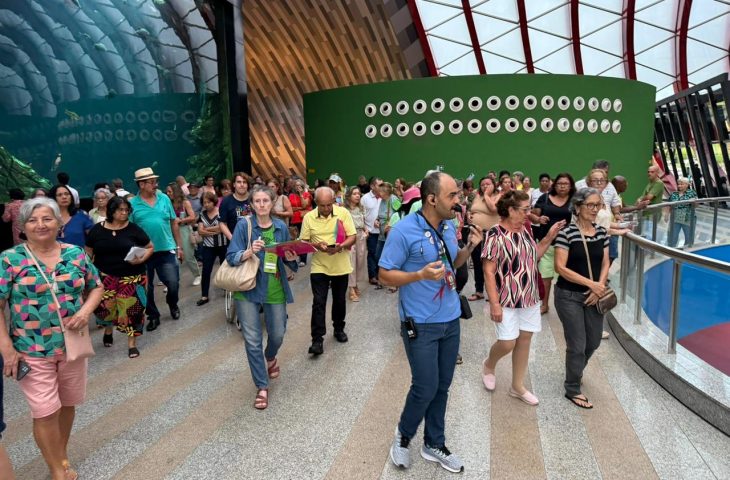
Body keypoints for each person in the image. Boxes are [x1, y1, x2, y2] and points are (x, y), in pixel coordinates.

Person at [379, 171, 482, 473]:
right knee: (425, 386)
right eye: (453, 195)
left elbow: (454, 261)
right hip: (419, 322)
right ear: (432, 199)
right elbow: (384, 275)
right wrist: (418, 275)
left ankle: (434, 443)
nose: (458, 200)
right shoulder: (403, 231)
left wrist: (470, 247)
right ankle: (403, 436)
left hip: (450, 319)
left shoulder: (449, 225)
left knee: (442, 386)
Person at [0, 197, 103, 480]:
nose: (40, 225)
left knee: (67, 404)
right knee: (45, 411)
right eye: (32, 220)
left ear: (59, 223)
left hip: (72, 345)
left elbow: (96, 286)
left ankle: (61, 457)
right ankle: (58, 470)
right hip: (30, 349)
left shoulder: (75, 254)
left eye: (47, 218)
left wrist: (84, 312)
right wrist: (6, 349)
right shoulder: (10, 259)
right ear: (23, 226)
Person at [481, 191, 565, 405]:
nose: (529, 213)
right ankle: (489, 364)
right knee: (507, 343)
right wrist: (494, 304)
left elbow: (534, 256)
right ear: (510, 210)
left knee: (525, 339)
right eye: (525, 209)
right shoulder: (495, 234)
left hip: (529, 296)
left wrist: (549, 237)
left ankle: (517, 386)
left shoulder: (526, 230)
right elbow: (488, 271)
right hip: (505, 299)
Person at [226, 186, 298, 409]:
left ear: (272, 202)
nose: (261, 205)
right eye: (257, 201)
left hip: (275, 288)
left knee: (277, 334)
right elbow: (231, 256)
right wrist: (249, 251)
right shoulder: (244, 225)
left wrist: (291, 257)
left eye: (265, 200)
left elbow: (288, 260)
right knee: (252, 340)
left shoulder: (280, 227)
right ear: (252, 204)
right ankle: (262, 386)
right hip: (248, 289)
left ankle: (271, 356)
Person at [554, 188, 610, 409]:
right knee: (577, 345)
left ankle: (575, 370)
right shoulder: (566, 233)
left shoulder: (602, 232)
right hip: (568, 296)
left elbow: (605, 262)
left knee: (593, 341)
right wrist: (591, 284)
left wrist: (599, 287)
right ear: (577, 207)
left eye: (598, 205)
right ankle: (572, 387)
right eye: (591, 205)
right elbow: (560, 267)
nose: (595, 209)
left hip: (594, 296)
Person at [86, 196, 153, 358]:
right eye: (120, 210)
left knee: (133, 311)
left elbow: (150, 247)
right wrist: (89, 272)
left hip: (132, 277)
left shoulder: (134, 229)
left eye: (126, 210)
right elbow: (88, 252)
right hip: (105, 277)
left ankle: (132, 344)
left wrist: (142, 259)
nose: (124, 213)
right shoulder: (97, 230)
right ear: (111, 211)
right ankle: (108, 329)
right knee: (105, 309)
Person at [299, 187, 357, 355]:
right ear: (316, 202)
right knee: (319, 302)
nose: (326, 208)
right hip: (319, 266)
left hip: (340, 264)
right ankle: (317, 340)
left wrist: (340, 246)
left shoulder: (343, 213)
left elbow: (352, 236)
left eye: (329, 205)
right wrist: (317, 245)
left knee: (339, 300)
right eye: (322, 205)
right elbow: (303, 242)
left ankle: (338, 328)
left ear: (333, 201)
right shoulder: (309, 217)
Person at [129, 167, 184, 331]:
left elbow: (174, 222)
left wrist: (179, 246)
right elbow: (129, 230)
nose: (156, 185)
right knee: (146, 288)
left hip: (166, 249)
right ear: (141, 184)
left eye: (156, 181)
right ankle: (153, 315)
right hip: (143, 252)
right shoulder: (132, 204)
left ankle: (172, 303)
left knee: (173, 283)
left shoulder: (164, 198)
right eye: (152, 182)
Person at [532, 173, 575, 314]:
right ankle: (544, 305)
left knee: (566, 277)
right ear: (554, 185)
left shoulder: (575, 201)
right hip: (546, 244)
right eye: (559, 183)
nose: (562, 186)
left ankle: (566, 306)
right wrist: (538, 219)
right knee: (545, 276)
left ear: (571, 186)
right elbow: (532, 214)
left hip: (567, 245)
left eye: (566, 184)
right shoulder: (544, 198)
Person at [466, 177, 500, 301]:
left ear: (494, 185)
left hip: (491, 235)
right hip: (476, 233)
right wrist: (469, 215)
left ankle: (494, 293)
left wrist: (486, 195)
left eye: (488, 184)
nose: (485, 186)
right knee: (477, 262)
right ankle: (479, 291)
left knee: (492, 264)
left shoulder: (498, 196)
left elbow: (493, 209)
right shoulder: (477, 196)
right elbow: (471, 210)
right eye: (482, 184)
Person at [166, 182, 201, 286]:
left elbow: (192, 217)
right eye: (167, 191)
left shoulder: (185, 202)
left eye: (170, 191)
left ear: (175, 191)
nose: (168, 193)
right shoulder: (167, 203)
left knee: (189, 255)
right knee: (173, 257)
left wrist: (181, 220)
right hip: (170, 231)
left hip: (184, 229)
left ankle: (197, 275)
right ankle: (173, 281)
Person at [196, 192, 228, 306]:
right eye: (204, 202)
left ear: (213, 201)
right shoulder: (202, 214)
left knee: (225, 268)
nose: (206, 204)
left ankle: (227, 289)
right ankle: (204, 295)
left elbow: (222, 228)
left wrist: (207, 229)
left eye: (208, 202)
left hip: (223, 244)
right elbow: (200, 231)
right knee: (206, 270)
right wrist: (215, 230)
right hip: (208, 247)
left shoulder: (221, 211)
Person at [345, 186, 367, 302]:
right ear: (349, 196)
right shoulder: (344, 209)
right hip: (350, 236)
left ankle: (355, 284)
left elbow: (363, 222)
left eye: (359, 194)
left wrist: (366, 230)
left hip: (360, 236)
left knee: (360, 262)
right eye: (354, 194)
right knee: (351, 262)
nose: (358, 196)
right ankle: (351, 289)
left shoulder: (361, 208)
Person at [219, 172, 252, 242]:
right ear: (234, 184)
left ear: (247, 185)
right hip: (235, 242)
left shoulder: (254, 199)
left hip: (254, 241)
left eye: (244, 182)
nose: (242, 184)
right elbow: (222, 223)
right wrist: (233, 239)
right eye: (239, 182)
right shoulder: (226, 201)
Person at [361, 176, 382, 285]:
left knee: (381, 254)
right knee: (372, 253)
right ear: (372, 186)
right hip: (371, 231)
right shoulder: (365, 198)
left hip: (383, 232)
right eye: (379, 185)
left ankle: (380, 275)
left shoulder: (384, 197)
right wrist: (365, 229)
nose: (382, 187)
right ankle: (372, 276)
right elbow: (361, 215)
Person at [668, 177, 697, 248]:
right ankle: (671, 250)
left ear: (687, 185)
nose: (679, 186)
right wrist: (667, 214)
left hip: (688, 218)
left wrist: (694, 202)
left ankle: (687, 251)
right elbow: (670, 205)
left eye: (682, 184)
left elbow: (696, 205)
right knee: (672, 236)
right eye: (679, 184)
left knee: (689, 237)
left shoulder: (692, 193)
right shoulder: (674, 194)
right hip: (675, 218)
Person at [288, 178, 312, 266]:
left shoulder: (306, 194)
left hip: (304, 219)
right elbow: (290, 208)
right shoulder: (291, 195)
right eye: (296, 185)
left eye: (299, 185)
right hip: (294, 219)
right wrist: (300, 208)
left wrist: (301, 195)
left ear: (302, 186)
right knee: (296, 240)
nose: (298, 187)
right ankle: (299, 256)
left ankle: (303, 259)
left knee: (303, 239)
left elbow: (305, 205)